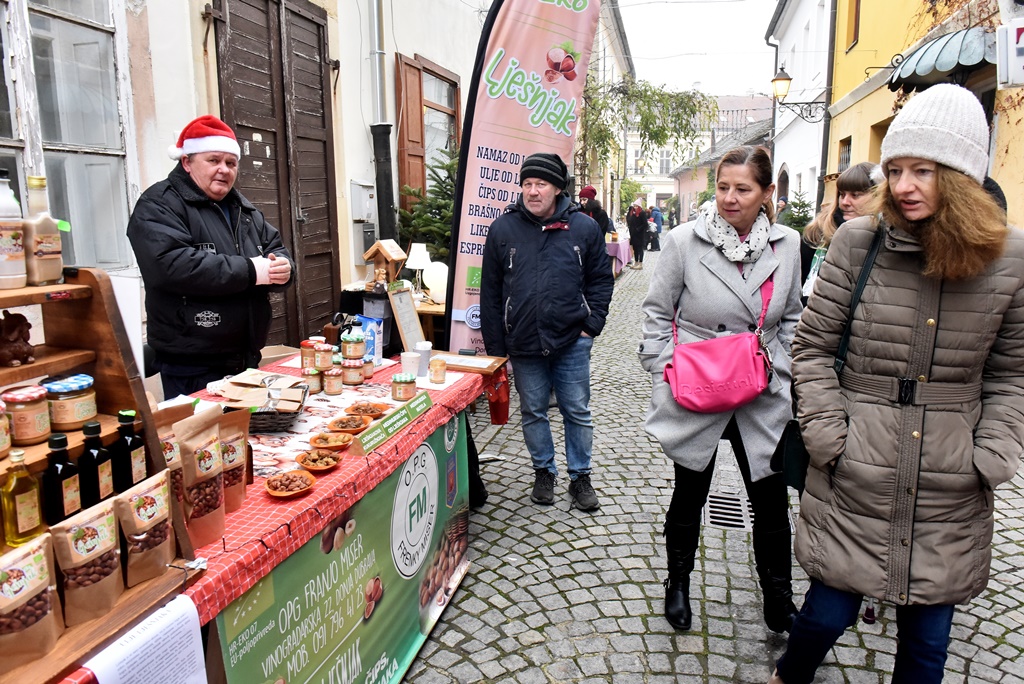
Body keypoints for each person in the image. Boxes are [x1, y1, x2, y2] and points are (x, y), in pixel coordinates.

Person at [770, 84, 1024, 684]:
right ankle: (789, 675)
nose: (903, 185)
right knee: (827, 613)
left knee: (928, 641)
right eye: (896, 170)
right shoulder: (860, 241)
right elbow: (811, 347)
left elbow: (1012, 371)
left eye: (923, 170)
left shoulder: (1009, 258)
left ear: (961, 177)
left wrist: (988, 453)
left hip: (949, 476)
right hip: (858, 461)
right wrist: (831, 433)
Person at [639, 145, 803, 634]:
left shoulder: (789, 244)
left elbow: (792, 314)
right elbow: (656, 310)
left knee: (771, 500)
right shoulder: (685, 241)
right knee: (690, 492)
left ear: (767, 193)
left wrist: (785, 367)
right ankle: (678, 584)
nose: (730, 199)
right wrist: (665, 367)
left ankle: (779, 597)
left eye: (743, 189)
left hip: (760, 388)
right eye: (723, 187)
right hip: (697, 383)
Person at [480, 152, 614, 511]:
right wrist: (497, 348)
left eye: (541, 184)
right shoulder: (502, 229)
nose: (533, 191)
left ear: (557, 188)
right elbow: (490, 292)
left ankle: (580, 477)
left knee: (577, 410)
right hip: (522, 342)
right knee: (534, 411)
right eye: (527, 184)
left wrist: (591, 326)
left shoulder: (583, 227)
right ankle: (543, 471)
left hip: (571, 340)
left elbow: (601, 280)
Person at [127, 115, 294, 397]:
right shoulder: (159, 203)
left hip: (244, 357)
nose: (224, 170)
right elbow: (172, 265)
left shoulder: (243, 208)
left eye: (231, 163)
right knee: (202, 439)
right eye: (213, 160)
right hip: (191, 364)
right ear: (186, 162)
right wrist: (254, 271)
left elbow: (274, 247)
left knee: (242, 439)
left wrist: (285, 268)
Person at [800, 161, 881, 302]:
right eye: (842, 195)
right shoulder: (817, 235)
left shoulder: (888, 238)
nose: (845, 202)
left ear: (878, 197)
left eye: (855, 195)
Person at [626, 200, 649, 269]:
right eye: (634, 206)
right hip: (633, 234)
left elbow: (645, 224)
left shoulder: (642, 213)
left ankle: (640, 263)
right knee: (635, 248)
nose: (635, 207)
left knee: (640, 249)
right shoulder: (633, 213)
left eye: (636, 206)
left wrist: (638, 229)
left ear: (639, 206)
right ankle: (636, 262)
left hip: (640, 234)